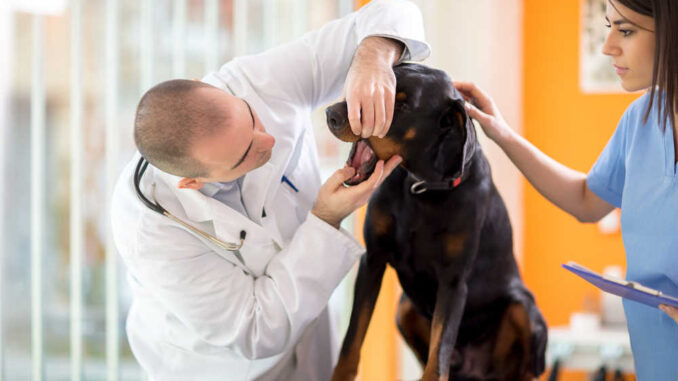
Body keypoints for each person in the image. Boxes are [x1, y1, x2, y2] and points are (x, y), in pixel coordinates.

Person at [110, 1, 430, 380]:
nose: (268, 139)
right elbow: (258, 329)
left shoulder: (253, 81)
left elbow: (394, 11)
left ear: (204, 85)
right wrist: (325, 219)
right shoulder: (150, 232)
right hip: (224, 368)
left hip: (309, 340)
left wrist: (375, 55)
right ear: (192, 183)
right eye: (246, 153)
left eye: (250, 117)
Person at [455, 0, 677, 378]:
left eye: (625, 30)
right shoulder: (639, 121)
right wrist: (503, 134)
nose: (607, 46)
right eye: (608, 27)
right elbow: (586, 200)